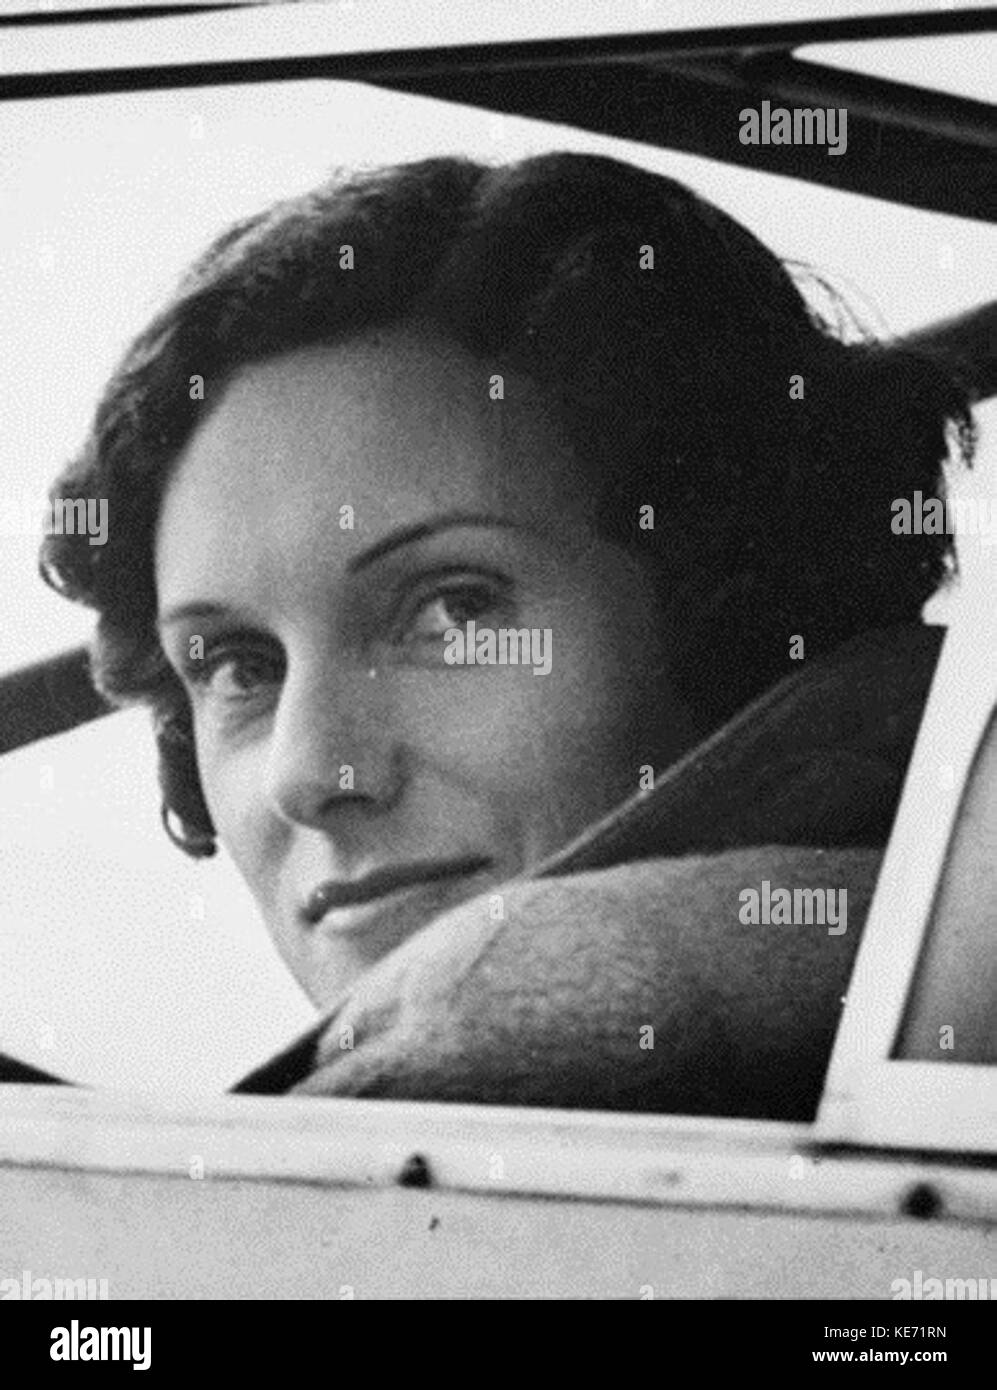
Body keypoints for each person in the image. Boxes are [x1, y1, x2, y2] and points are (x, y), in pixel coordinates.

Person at [39, 153, 975, 1116]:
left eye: (451, 609)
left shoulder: (498, 1022)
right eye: (240, 665)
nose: (308, 773)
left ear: (735, 594)